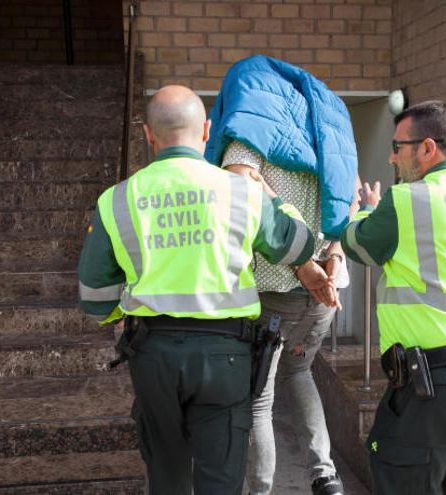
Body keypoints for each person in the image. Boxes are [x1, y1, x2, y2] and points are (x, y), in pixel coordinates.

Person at [77, 85, 314, 495]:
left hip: (152, 355)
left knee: (167, 476)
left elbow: (96, 300)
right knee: (221, 478)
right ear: (206, 130)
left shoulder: (116, 200)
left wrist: (126, 313)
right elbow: (299, 245)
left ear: (148, 135)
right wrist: (274, 196)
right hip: (226, 357)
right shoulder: (241, 192)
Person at [341, 101, 446, 494]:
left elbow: (357, 246)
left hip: (435, 383)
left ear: (427, 148)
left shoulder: (407, 199)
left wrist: (364, 212)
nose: (391, 155)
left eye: (398, 146)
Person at [205, 55, 358, 495]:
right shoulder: (327, 137)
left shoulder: (250, 132)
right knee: (302, 372)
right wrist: (331, 259)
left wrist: (304, 266)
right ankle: (324, 474)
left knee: (258, 399)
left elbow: (242, 183)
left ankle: (261, 490)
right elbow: (346, 203)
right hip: (322, 297)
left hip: (276, 292)